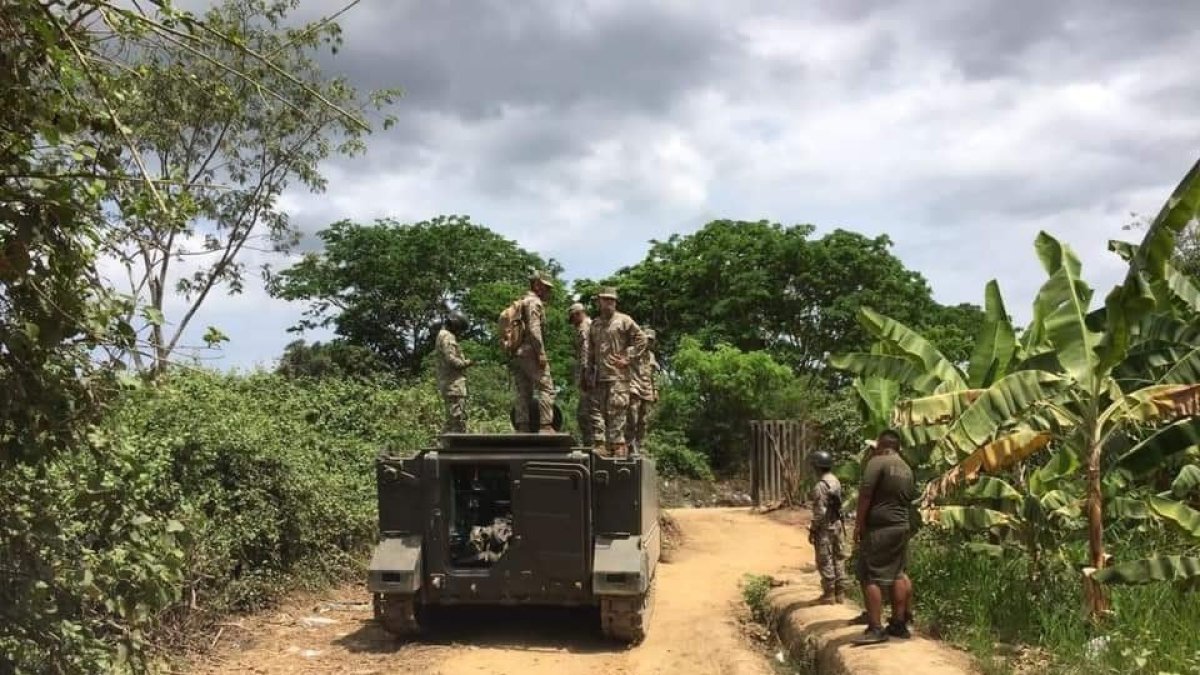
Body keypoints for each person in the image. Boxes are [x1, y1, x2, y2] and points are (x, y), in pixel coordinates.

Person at [851, 430, 916, 645]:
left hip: (881, 528)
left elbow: (866, 493)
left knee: (870, 575)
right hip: (901, 526)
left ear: (882, 445)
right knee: (898, 573)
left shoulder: (878, 462)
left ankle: (876, 628)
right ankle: (899, 624)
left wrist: (859, 524)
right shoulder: (906, 468)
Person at [585, 287, 647, 458]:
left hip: (618, 376)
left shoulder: (624, 320)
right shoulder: (595, 324)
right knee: (597, 410)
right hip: (600, 376)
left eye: (611, 300)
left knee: (617, 409)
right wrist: (588, 371)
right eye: (604, 300)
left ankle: (618, 444)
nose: (608, 303)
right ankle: (601, 443)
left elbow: (641, 339)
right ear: (599, 302)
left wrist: (628, 358)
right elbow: (590, 350)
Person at [511, 271, 556, 433]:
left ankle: (522, 426)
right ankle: (545, 426)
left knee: (523, 391)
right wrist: (541, 353)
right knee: (546, 387)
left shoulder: (522, 301)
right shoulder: (534, 302)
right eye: (546, 287)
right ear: (537, 285)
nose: (548, 292)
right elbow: (534, 329)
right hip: (531, 352)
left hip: (518, 352)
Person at [808, 450, 847, 604]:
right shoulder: (835, 480)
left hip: (825, 526)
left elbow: (820, 512)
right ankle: (840, 593)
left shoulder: (820, 486)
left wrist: (813, 528)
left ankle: (829, 594)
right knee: (839, 556)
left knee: (824, 558)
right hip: (837, 524)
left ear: (817, 467)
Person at [435, 311, 473, 433]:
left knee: (452, 419)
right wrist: (467, 362)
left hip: (450, 383)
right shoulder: (447, 336)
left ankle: (446, 445)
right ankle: (453, 447)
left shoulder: (442, 335)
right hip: (453, 385)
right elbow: (452, 360)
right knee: (456, 419)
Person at [626, 328, 659, 452]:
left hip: (647, 388)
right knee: (632, 414)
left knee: (644, 420)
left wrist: (656, 390)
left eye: (651, 340)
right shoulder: (631, 350)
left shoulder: (651, 356)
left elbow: (654, 374)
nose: (648, 342)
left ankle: (640, 445)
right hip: (634, 385)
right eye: (646, 339)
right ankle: (630, 442)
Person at [568, 302, 595, 446]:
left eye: (573, 319)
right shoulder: (593, 325)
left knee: (584, 414)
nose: (573, 324)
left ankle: (591, 446)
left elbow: (586, 349)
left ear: (579, 314)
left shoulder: (584, 327)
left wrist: (585, 373)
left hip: (590, 375)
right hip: (596, 374)